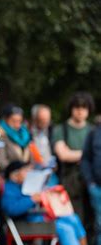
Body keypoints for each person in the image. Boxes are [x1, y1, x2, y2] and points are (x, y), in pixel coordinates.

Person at [1, 160, 101, 245]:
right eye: (25, 171)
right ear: (15, 175)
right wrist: (32, 199)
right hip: (25, 224)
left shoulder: (24, 185)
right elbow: (10, 209)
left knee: (72, 218)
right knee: (65, 228)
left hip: (37, 218)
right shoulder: (9, 188)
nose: (29, 173)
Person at [52, 92, 94, 234]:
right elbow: (63, 155)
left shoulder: (93, 130)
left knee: (92, 220)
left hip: (91, 181)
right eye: (77, 107)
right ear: (71, 109)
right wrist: (87, 155)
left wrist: (75, 154)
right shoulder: (60, 129)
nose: (80, 111)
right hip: (69, 181)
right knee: (74, 219)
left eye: (84, 107)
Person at [81, 115, 101, 245]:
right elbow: (85, 159)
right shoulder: (94, 133)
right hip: (97, 187)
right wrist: (90, 182)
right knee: (99, 224)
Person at [0, 104, 31, 173]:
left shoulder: (25, 135)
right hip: (7, 176)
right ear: (5, 120)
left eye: (20, 121)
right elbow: (0, 161)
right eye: (14, 121)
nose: (18, 125)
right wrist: (16, 172)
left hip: (25, 174)